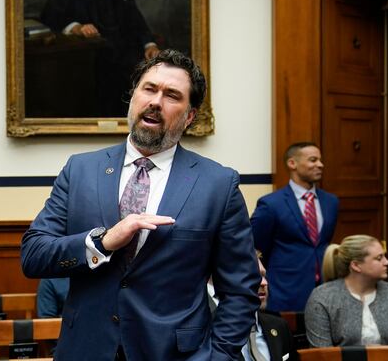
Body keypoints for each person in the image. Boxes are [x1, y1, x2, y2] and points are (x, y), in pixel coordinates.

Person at [20, 49, 261, 359]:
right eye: (149, 88)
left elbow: (241, 290)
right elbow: (34, 255)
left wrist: (218, 355)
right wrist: (101, 243)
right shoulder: (80, 170)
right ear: (132, 97)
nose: (156, 101)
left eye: (172, 95)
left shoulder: (217, 185)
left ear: (189, 116)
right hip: (87, 350)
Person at [40, 0, 159, 117]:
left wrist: (149, 44)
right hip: (91, 57)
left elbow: (134, 18)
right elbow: (50, 15)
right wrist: (76, 27)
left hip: (126, 55)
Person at [251, 142, 339, 312]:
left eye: (320, 160)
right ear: (292, 163)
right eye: (313, 160)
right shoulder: (271, 204)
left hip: (325, 292)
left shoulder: (331, 202)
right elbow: (256, 247)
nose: (320, 165)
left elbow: (324, 244)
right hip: (286, 293)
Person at [304, 235, 388, 347]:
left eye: (385, 256)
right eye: (379, 258)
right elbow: (322, 356)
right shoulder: (323, 298)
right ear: (356, 265)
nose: (387, 262)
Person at [209, 253, 295, 361]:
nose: (264, 283)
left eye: (264, 276)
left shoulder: (279, 326)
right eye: (254, 276)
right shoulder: (209, 326)